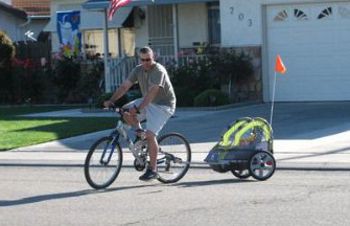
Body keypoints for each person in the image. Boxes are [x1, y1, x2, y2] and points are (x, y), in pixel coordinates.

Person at [104, 46, 176, 181]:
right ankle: (139, 134)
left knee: (150, 135)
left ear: (153, 57)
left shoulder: (158, 70)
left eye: (148, 59)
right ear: (140, 59)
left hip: (163, 105)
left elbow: (152, 92)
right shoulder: (138, 69)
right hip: (148, 101)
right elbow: (125, 86)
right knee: (125, 111)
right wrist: (111, 100)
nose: (146, 62)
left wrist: (138, 109)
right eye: (143, 60)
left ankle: (153, 170)